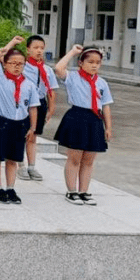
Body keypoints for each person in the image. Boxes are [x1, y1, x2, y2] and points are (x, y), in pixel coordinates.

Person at [53, 44, 113, 205]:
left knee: (89, 160)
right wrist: (72, 52)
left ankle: (84, 191)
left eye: (97, 63)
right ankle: (72, 191)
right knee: (74, 158)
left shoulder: (102, 83)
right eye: (90, 62)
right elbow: (58, 68)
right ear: (81, 63)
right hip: (77, 117)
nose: (94, 65)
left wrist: (108, 127)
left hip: (95, 119)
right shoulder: (73, 77)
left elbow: (106, 105)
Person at [0, 37, 40, 204]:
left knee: (13, 159)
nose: (16, 66)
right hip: (2, 123)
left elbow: (33, 107)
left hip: (20, 124)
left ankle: (10, 188)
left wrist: (33, 128)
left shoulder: (28, 84)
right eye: (13, 63)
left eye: (20, 64)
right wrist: (4, 50)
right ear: (5, 64)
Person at [22, 35, 59, 181]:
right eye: (35, 48)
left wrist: (51, 108)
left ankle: (31, 166)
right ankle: (20, 165)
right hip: (24, 104)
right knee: (21, 134)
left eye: (42, 48)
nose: (39, 51)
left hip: (40, 104)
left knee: (33, 135)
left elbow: (51, 90)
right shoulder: (23, 67)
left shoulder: (47, 70)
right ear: (28, 49)